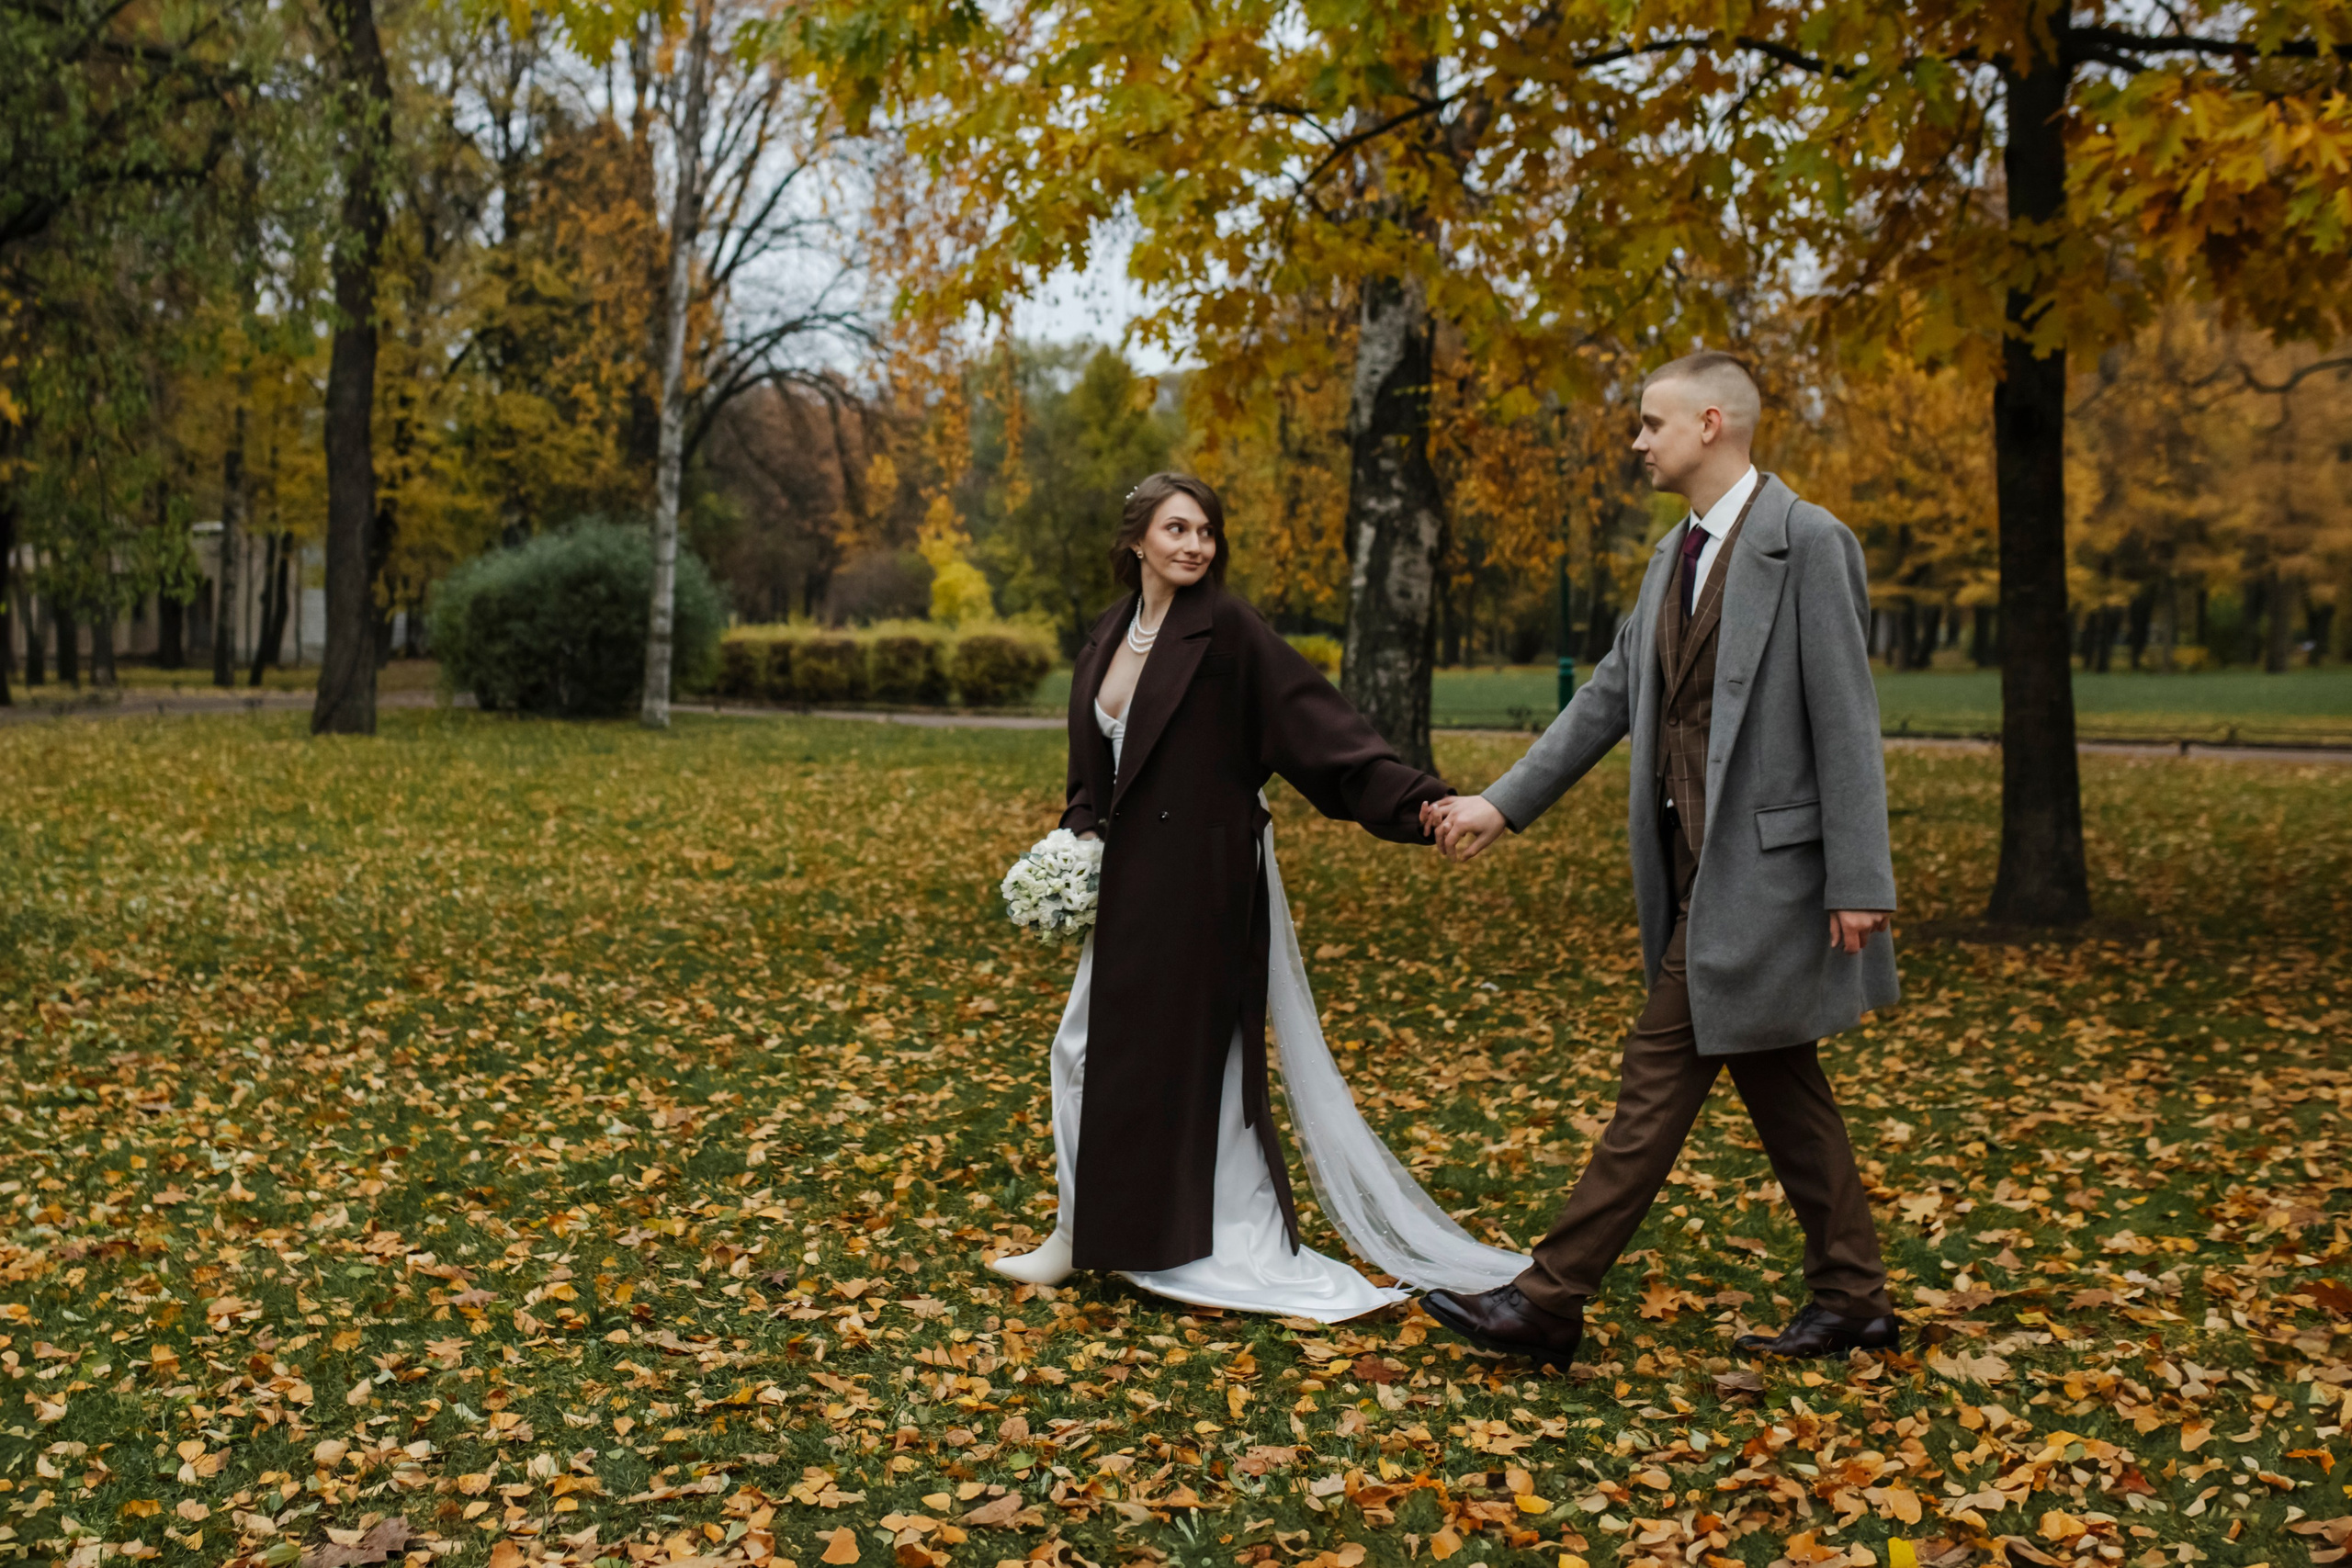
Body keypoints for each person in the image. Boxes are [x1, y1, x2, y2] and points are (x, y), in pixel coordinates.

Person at [1419, 352, 1902, 1364]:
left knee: (1658, 1068)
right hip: (1687, 868)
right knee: (1778, 1076)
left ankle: (1548, 1300)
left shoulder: (1808, 543)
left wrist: (1861, 880)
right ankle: (1853, 1295)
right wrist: (1503, 806)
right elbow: (1607, 696)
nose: (1638, 442)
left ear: (1711, 424)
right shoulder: (1671, 556)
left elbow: (1846, 721)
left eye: (1650, 424)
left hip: (1768, 876)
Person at [987, 472, 1528, 1320]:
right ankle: (1078, 1229)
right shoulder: (1106, 636)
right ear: (1137, 540)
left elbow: (1324, 733)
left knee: (1200, 1063)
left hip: (1203, 884)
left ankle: (1216, 1240)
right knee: (1082, 1051)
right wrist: (1075, 841)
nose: (1195, 544)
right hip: (1127, 887)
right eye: (1176, 528)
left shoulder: (1229, 632)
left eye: (1206, 530)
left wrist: (1423, 805)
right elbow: (1090, 766)